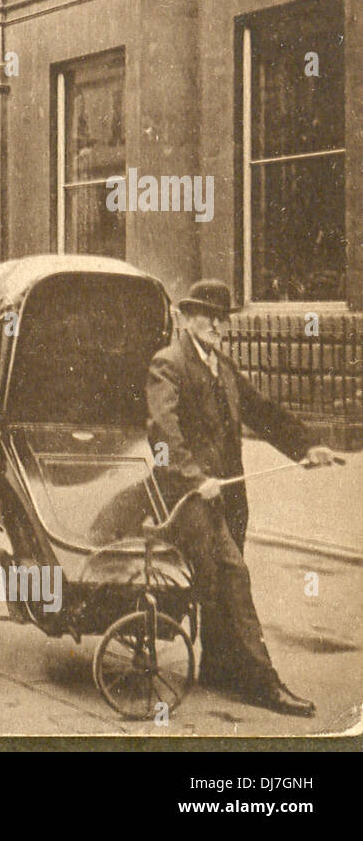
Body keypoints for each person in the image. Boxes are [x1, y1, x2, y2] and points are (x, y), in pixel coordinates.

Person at [147, 279, 335, 717]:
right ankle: (262, 681)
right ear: (188, 318)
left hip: (229, 496)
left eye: (221, 317)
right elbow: (162, 432)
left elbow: (263, 410)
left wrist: (307, 445)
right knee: (234, 576)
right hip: (188, 498)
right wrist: (194, 479)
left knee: (215, 581)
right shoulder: (168, 364)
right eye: (207, 316)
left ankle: (218, 666)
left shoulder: (223, 368)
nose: (216, 324)